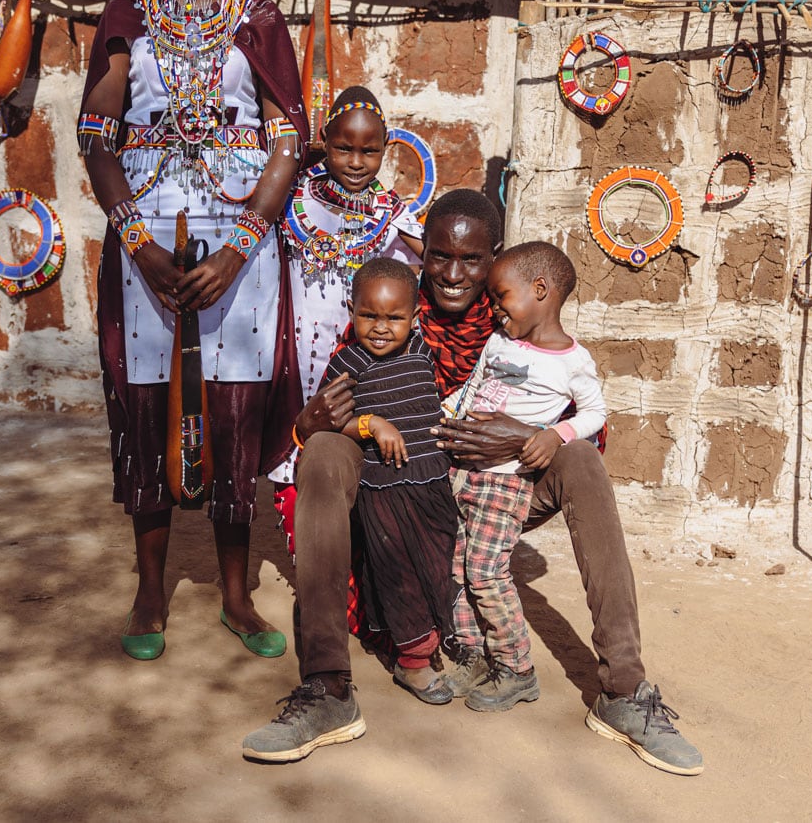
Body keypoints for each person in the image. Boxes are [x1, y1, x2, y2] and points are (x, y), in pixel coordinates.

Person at [242, 190, 704, 777]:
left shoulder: (517, 320)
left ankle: (624, 689)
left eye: (471, 260)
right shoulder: (395, 310)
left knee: (583, 462)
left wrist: (519, 437)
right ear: (421, 254)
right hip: (397, 491)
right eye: (438, 257)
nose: (453, 275)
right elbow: (330, 403)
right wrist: (308, 425)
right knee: (327, 453)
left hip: (495, 492)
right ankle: (327, 687)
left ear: (497, 260)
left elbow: (582, 420)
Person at [79, 0, 306, 662]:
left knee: (235, 404)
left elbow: (288, 137)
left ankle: (237, 594)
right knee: (148, 405)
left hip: (240, 242)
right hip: (147, 234)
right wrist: (134, 238)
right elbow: (97, 137)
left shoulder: (260, 17)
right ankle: (150, 589)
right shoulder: (126, 15)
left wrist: (247, 236)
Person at [441, 241, 606, 713]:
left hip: (506, 482)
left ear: (540, 290)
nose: (494, 310)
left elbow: (595, 411)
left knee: (486, 572)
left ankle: (516, 669)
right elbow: (474, 386)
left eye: (501, 297)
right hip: (464, 473)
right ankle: (474, 655)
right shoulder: (499, 342)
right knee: (457, 569)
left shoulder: (572, 361)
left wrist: (555, 435)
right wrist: (447, 417)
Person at [268, 87, 424, 551]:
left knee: (353, 450)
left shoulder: (390, 214)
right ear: (324, 139)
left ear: (385, 149)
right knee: (297, 445)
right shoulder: (293, 197)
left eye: (370, 151)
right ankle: (312, 557)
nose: (356, 162)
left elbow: (429, 262)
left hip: (355, 360)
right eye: (343, 148)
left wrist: (403, 220)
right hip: (295, 353)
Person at [315, 257, 457, 710]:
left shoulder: (422, 349)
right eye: (368, 315)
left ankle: (434, 642)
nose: (380, 327)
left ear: (414, 317)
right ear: (351, 310)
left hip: (433, 482)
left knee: (439, 565)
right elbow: (329, 421)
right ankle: (413, 663)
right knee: (400, 575)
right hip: (384, 490)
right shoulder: (346, 363)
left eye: (394, 317)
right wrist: (371, 423)